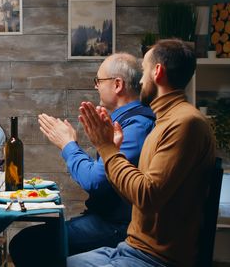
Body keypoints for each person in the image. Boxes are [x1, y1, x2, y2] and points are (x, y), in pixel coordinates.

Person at [69, 39, 216, 267]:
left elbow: (146, 197)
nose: (140, 80)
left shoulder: (185, 123)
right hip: (131, 246)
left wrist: (108, 150)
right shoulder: (164, 121)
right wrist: (111, 151)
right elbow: (135, 194)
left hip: (157, 258)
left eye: (144, 71)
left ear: (157, 72)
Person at [8, 53, 155, 265]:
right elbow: (102, 172)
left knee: (26, 243)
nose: (96, 86)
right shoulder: (125, 121)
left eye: (99, 81)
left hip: (118, 226)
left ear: (117, 84)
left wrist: (68, 145)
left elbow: (95, 181)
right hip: (105, 218)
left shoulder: (135, 127)